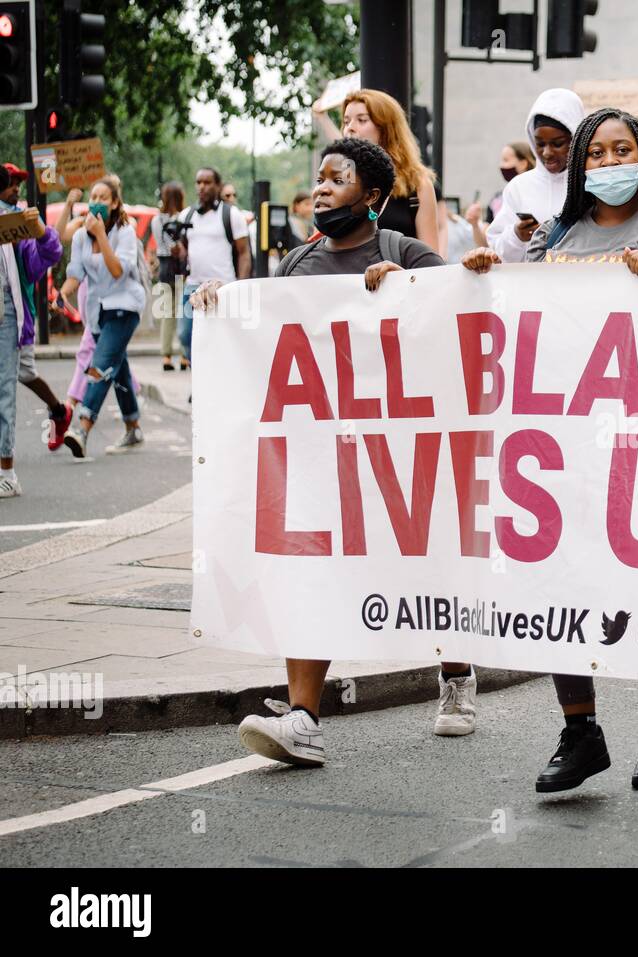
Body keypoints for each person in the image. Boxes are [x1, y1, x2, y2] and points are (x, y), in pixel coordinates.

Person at [462, 107, 638, 794]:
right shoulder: (556, 235)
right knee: (560, 581)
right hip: (564, 444)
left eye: (620, 149)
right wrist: (489, 274)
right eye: (594, 153)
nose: (606, 163)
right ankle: (581, 730)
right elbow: (522, 316)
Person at [215, 139, 450, 765]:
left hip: (396, 455)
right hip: (321, 455)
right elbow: (266, 345)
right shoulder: (296, 267)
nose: (320, 189)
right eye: (318, 179)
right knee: (309, 572)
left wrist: (409, 287)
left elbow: (462, 307)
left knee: (428, 570)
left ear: (372, 197)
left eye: (336, 179)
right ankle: (304, 717)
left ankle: (455, 674)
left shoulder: (401, 251)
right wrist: (222, 309)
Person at [58, 177, 148, 458]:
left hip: (125, 307)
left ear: (115, 203)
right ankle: (133, 428)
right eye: (93, 196)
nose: (97, 201)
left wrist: (101, 236)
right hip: (97, 312)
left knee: (99, 366)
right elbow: (76, 273)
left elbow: (118, 270)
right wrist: (63, 293)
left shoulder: (125, 232)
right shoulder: (82, 236)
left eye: (103, 197)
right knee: (117, 368)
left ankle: (82, 429)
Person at [0, 170, 63, 498]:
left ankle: (7, 471)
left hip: (8, 317)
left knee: (4, 389)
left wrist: (41, 231)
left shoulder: (16, 223)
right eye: (11, 185)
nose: (16, 191)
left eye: (18, 186)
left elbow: (50, 255)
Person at [485, 89, 584, 264]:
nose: (546, 153)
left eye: (558, 143)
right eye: (539, 143)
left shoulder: (590, 184)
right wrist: (517, 236)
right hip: (529, 287)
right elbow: (496, 253)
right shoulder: (519, 187)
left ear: (576, 139)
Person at [339, 89, 441, 252]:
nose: (350, 128)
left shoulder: (418, 185)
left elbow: (430, 262)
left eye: (362, 120)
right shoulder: (335, 183)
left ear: (386, 129)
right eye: (346, 121)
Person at [175, 166, 252, 369]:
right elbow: (184, 251)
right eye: (198, 182)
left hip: (222, 286)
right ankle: (201, 375)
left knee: (220, 337)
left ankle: (213, 378)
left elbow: (244, 253)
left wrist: (240, 287)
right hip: (193, 286)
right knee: (185, 336)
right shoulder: (187, 215)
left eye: (207, 182)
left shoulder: (231, 215)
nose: (202, 187)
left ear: (217, 186)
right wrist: (177, 250)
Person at [149, 181, 186, 371]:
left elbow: (160, 243)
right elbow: (180, 245)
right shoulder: (182, 217)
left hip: (164, 267)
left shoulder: (156, 220)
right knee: (183, 312)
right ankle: (184, 356)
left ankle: (166, 356)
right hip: (180, 267)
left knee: (167, 314)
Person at [488, 142, 535, 224]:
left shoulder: (536, 193)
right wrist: (474, 224)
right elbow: (489, 235)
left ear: (523, 164)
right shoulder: (497, 198)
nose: (501, 165)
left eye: (506, 160)